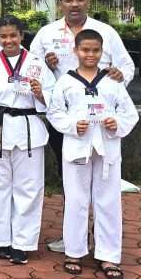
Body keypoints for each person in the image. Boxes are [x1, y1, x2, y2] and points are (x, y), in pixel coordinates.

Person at [28, 0, 135, 253]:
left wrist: (119, 78)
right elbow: (33, 67)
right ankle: (73, 239)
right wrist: (46, 66)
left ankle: (102, 241)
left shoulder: (105, 32)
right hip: (64, 118)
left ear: (87, 1)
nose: (74, 4)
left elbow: (126, 65)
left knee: (103, 184)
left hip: (102, 123)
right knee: (72, 182)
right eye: (68, 0)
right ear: (60, 3)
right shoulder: (47, 33)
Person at [47, 29, 137, 278]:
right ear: (76, 51)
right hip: (77, 146)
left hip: (106, 148)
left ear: (102, 52)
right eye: (85, 50)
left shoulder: (112, 81)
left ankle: (108, 256)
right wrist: (72, 126)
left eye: (95, 50)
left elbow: (130, 113)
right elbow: (55, 113)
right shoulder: (66, 81)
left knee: (107, 201)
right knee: (76, 200)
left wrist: (116, 123)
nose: (90, 54)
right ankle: (74, 251)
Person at [0, 15, 55, 265]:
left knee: (28, 189)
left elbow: (54, 100)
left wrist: (42, 95)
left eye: (13, 35)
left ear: (21, 36)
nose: (9, 40)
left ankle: (23, 243)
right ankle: (1, 240)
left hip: (28, 132)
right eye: (3, 36)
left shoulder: (37, 65)